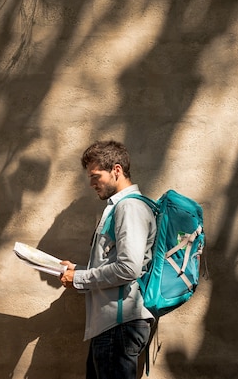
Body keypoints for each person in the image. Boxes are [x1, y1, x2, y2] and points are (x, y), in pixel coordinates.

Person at [60, 140, 156, 379]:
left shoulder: (129, 207)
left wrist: (80, 278)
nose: (91, 184)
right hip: (111, 326)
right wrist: (78, 270)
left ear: (116, 170)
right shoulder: (119, 207)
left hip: (119, 326)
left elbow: (128, 268)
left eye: (96, 176)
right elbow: (116, 263)